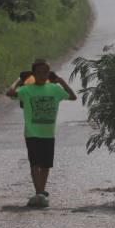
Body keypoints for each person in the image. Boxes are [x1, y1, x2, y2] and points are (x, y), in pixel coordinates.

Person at [6, 58, 77, 208]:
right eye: (39, 72)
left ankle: (41, 192)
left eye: (46, 72)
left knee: (46, 165)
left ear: (49, 74)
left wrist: (61, 81)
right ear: (33, 74)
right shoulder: (27, 90)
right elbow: (10, 92)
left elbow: (72, 96)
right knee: (35, 163)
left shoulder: (54, 89)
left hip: (48, 133)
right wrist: (19, 80)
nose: (42, 75)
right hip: (32, 132)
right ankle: (39, 192)